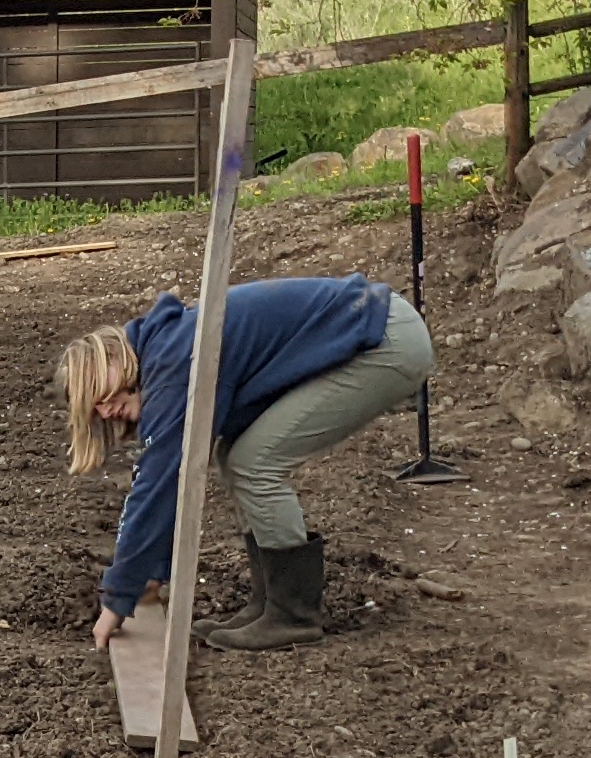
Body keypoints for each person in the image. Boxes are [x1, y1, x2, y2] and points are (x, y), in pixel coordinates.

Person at [63, 273, 436, 653]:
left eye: (98, 391)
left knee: (256, 462)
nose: (105, 410)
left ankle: (293, 616)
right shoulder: (165, 352)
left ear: (113, 355)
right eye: (93, 408)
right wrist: (148, 575)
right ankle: (268, 605)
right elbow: (166, 475)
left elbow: (159, 482)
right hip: (374, 329)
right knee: (236, 454)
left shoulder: (173, 364)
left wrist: (119, 594)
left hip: (383, 341)